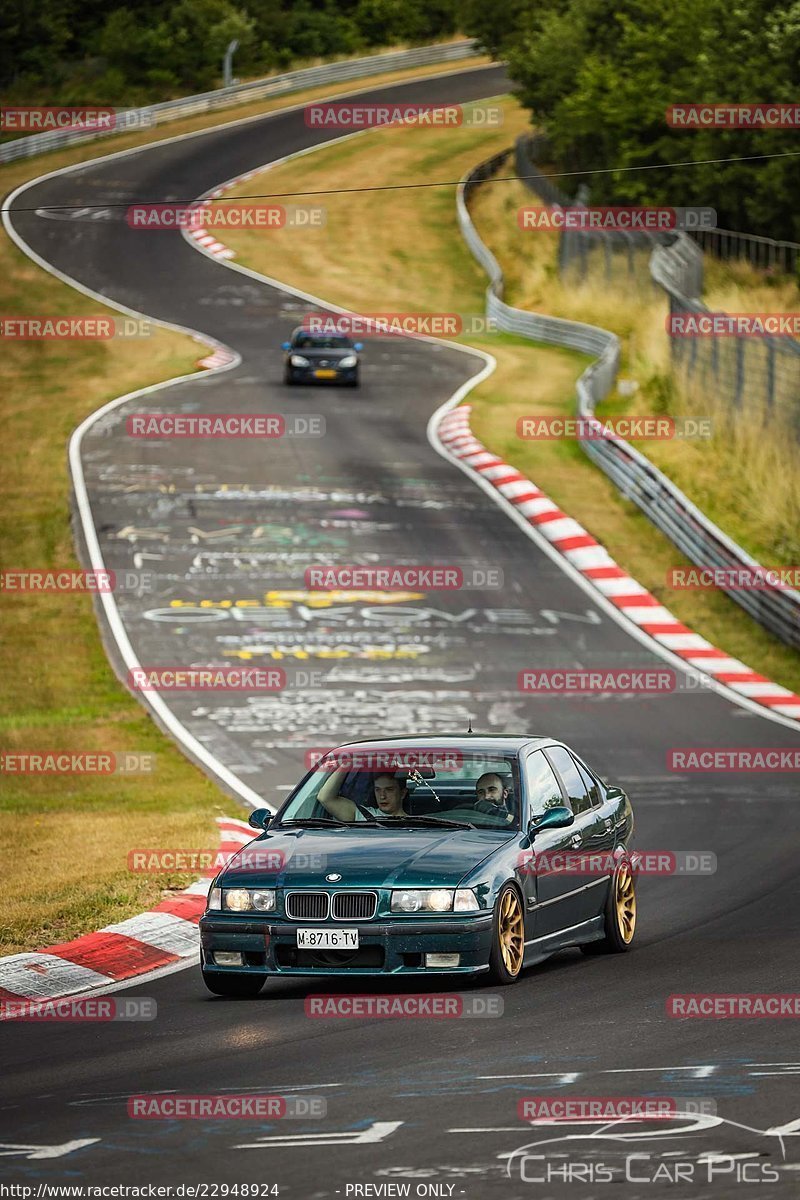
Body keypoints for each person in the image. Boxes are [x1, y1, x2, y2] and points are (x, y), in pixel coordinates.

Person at [317, 768, 409, 821]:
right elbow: (325, 798)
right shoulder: (363, 814)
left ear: (402, 793)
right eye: (377, 790)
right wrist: (347, 763)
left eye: (389, 790)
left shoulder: (419, 823)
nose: (382, 796)